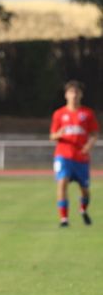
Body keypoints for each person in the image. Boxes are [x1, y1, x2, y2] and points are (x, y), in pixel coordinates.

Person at [50, 79, 98, 227]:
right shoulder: (59, 114)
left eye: (76, 92)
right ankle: (64, 219)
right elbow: (52, 136)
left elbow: (94, 133)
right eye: (71, 92)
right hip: (63, 155)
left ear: (81, 95)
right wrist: (58, 134)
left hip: (81, 158)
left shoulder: (87, 114)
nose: (74, 95)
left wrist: (89, 146)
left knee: (85, 190)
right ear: (66, 95)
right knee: (62, 183)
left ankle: (83, 209)